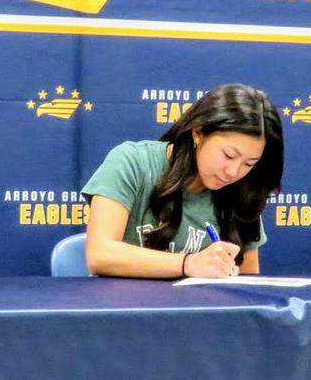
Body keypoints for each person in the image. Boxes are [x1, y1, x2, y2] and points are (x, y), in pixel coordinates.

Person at [83, 83, 284, 279]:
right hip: (129, 308)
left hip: (202, 310)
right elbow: (100, 254)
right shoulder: (132, 162)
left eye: (249, 164)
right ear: (197, 132)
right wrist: (189, 263)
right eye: (229, 155)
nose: (233, 172)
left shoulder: (244, 190)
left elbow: (247, 283)